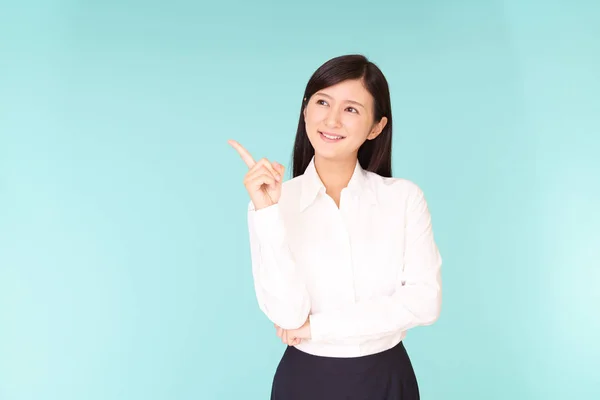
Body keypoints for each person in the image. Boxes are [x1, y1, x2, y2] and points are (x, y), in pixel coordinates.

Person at [228, 54, 442, 400]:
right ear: (305, 111)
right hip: (306, 381)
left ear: (376, 126)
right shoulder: (273, 202)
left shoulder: (403, 198)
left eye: (351, 109)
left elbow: (424, 302)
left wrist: (317, 327)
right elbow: (287, 314)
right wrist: (267, 212)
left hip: (386, 379)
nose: (331, 119)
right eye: (322, 102)